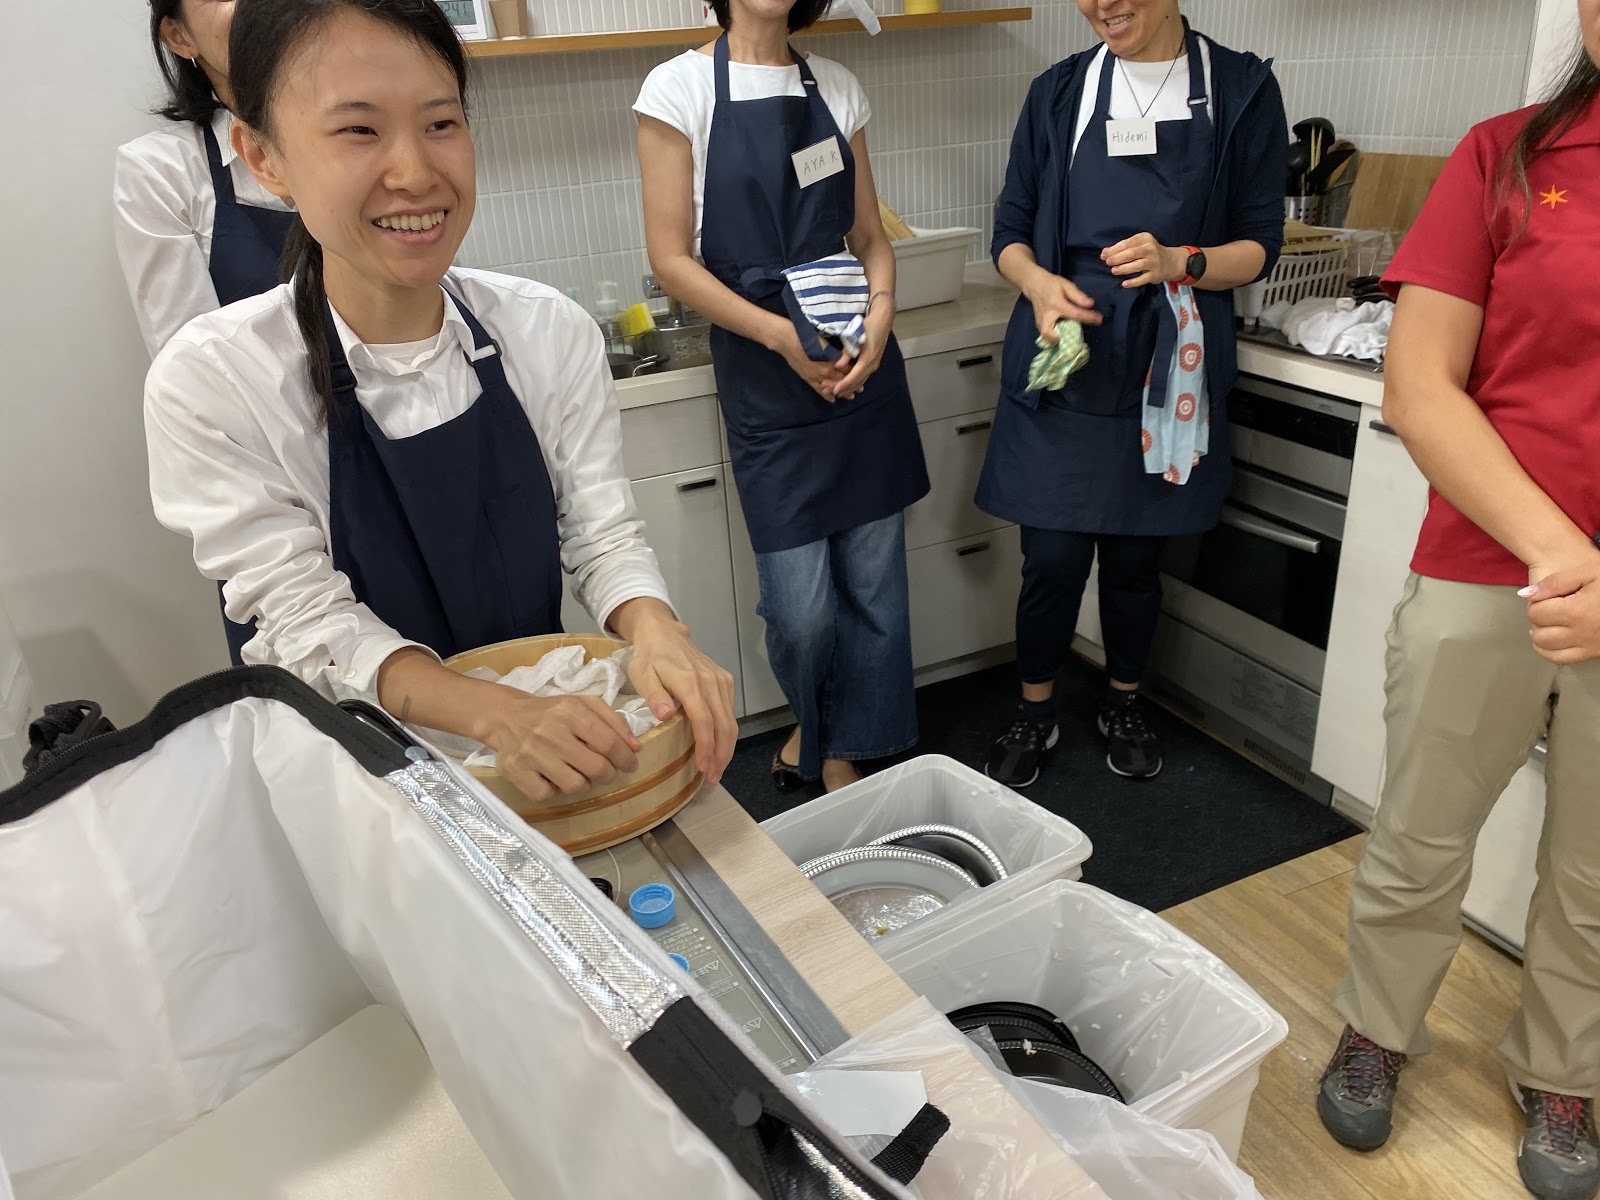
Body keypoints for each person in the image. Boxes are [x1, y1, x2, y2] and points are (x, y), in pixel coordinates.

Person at [142, 0, 738, 806]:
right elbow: (308, 622)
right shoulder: (217, 380)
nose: (417, 173)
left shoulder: (545, 332)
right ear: (264, 158)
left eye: (440, 123)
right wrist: (498, 716)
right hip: (356, 785)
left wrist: (656, 628)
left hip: (545, 769)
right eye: (359, 130)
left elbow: (601, 533)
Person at [1317, 4, 1600, 1194]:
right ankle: (1377, 1029)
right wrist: (1564, 555)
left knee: (1595, 875)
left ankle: (1564, 1073)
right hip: (1486, 566)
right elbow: (1420, 387)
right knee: (1422, 836)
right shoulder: (1507, 157)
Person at [976, 0, 1286, 786]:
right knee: (1050, 558)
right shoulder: (1059, 91)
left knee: (1136, 561)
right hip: (1069, 353)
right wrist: (1038, 285)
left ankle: (1123, 701)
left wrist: (1182, 261)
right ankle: (1035, 707)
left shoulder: (1240, 89)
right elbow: (1010, 232)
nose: (1103, 4)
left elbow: (1260, 245)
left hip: (1170, 360)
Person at [634, 0, 929, 794]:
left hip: (857, 357)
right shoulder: (678, 89)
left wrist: (881, 315)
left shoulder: (836, 85)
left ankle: (842, 750)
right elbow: (671, 260)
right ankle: (819, 724)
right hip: (765, 366)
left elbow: (869, 238)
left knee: (875, 589)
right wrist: (777, 338)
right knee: (800, 608)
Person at [115, 0, 299, 662]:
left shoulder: (351, 140)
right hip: (273, 501)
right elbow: (194, 379)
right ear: (177, 33)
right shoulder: (164, 170)